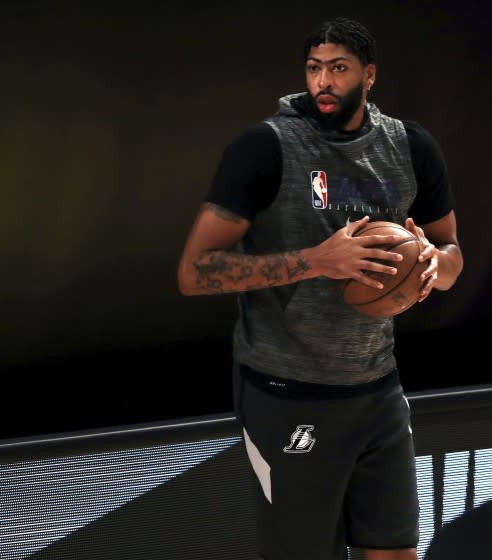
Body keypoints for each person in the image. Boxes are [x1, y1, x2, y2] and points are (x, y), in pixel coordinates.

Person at [177, 17, 463, 560]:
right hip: (288, 393)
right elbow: (195, 272)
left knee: (397, 554)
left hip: (378, 389)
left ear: (369, 75)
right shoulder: (264, 147)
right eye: (314, 69)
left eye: (338, 68)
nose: (323, 82)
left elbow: (452, 254)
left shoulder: (411, 147)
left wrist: (431, 266)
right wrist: (316, 260)